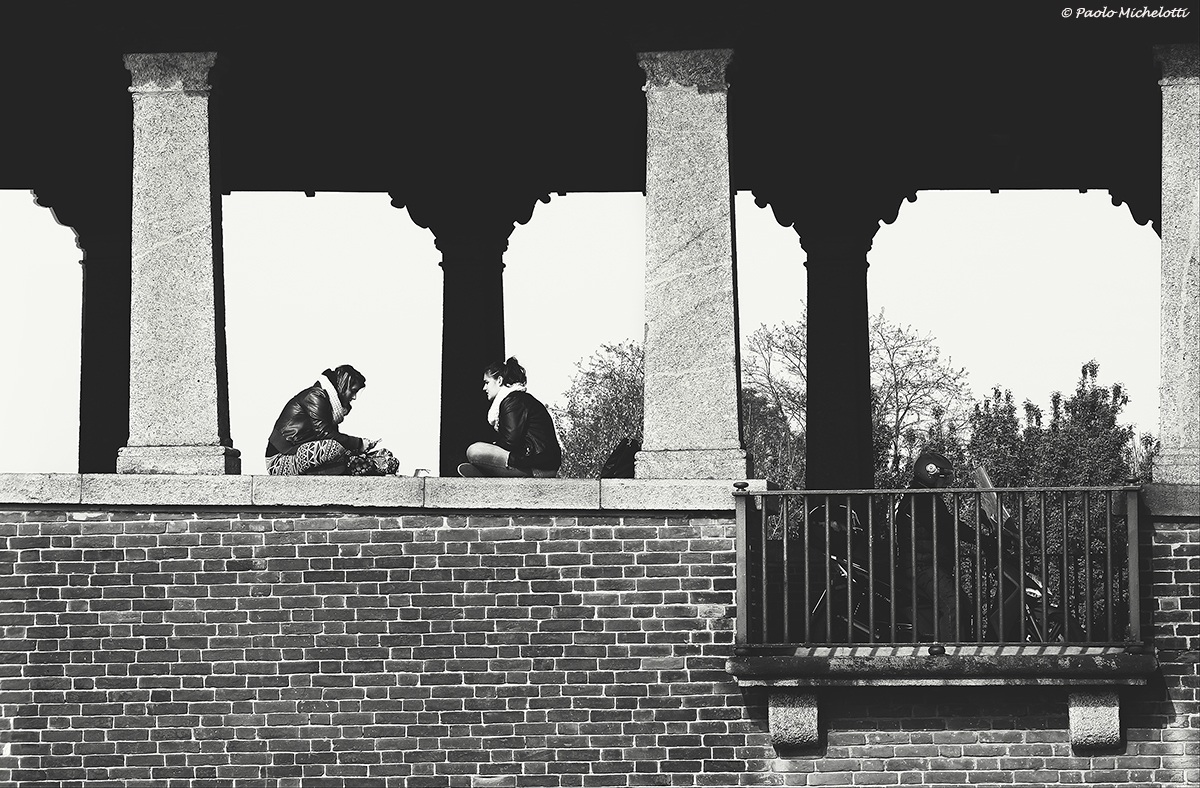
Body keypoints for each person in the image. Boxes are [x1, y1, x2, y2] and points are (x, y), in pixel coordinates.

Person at [894, 450, 967, 641]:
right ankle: (952, 658)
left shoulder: (925, 497)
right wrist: (981, 537)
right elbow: (948, 525)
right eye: (942, 478)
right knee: (954, 604)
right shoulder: (920, 500)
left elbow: (946, 524)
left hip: (928, 565)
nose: (944, 484)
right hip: (922, 567)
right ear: (930, 474)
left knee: (964, 602)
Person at [265, 365, 378, 475]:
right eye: (353, 391)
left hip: (298, 454)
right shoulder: (315, 396)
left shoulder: (330, 404)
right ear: (344, 385)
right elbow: (325, 434)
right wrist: (359, 443)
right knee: (333, 448)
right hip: (280, 460)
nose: (354, 397)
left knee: (344, 454)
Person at [459, 357, 561, 478]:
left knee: (475, 450)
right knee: (484, 450)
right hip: (537, 461)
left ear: (499, 380)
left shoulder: (513, 401)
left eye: (487, 382)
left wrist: (492, 450)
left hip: (536, 466)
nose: (484, 388)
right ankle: (492, 471)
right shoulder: (516, 399)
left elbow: (510, 441)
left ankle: (494, 473)